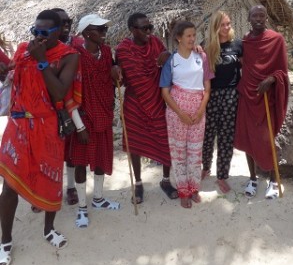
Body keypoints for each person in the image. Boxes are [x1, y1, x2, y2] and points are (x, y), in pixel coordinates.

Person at [0, 10, 80, 265]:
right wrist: (5, 71)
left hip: (47, 128)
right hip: (19, 126)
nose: (38, 37)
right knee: (9, 186)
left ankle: (48, 229)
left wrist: (42, 61)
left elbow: (59, 91)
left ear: (58, 32)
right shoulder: (24, 48)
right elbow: (13, 78)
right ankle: (5, 242)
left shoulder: (69, 57)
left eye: (45, 33)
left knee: (50, 180)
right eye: (35, 31)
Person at [115, 12, 178, 204]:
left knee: (165, 142)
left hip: (157, 101)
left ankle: (166, 181)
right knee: (135, 145)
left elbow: (168, 67)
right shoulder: (123, 49)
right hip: (135, 103)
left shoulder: (156, 43)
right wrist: (116, 72)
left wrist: (167, 56)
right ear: (133, 30)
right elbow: (126, 76)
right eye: (144, 28)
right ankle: (139, 183)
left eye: (150, 27)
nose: (149, 32)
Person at [69, 14, 121, 228]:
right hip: (83, 117)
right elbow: (69, 94)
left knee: (101, 158)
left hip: (104, 114)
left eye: (104, 29)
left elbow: (112, 77)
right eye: (100, 29)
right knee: (81, 162)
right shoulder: (75, 56)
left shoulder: (107, 52)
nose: (104, 33)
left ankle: (98, 198)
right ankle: (82, 207)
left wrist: (116, 73)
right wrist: (78, 125)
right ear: (88, 33)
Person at [234, 5, 289, 199]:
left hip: (267, 97)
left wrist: (271, 79)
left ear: (266, 18)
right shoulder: (245, 41)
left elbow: (283, 70)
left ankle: (274, 180)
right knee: (249, 138)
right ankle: (253, 178)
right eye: (254, 15)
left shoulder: (276, 39)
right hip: (248, 96)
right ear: (248, 18)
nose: (258, 18)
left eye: (262, 15)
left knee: (268, 139)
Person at [160, 21, 213, 209]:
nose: (192, 39)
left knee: (195, 152)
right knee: (179, 153)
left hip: (198, 112)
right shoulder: (172, 61)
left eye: (194, 35)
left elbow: (207, 88)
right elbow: (165, 92)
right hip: (176, 114)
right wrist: (180, 113)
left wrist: (200, 110)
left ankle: (194, 188)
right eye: (188, 35)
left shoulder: (201, 57)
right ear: (178, 38)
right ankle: (183, 190)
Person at [202, 11, 242, 193]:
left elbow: (247, 66)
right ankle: (205, 167)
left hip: (230, 95)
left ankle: (222, 176)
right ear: (215, 27)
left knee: (226, 136)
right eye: (223, 25)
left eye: (228, 24)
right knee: (207, 134)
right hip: (210, 95)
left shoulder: (238, 45)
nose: (227, 28)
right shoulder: (207, 47)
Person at [51, 8, 84, 206]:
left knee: (71, 151)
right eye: (61, 22)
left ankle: (70, 187)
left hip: (73, 105)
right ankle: (44, 191)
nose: (66, 25)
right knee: (47, 152)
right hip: (48, 107)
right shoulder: (42, 47)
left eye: (68, 21)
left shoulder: (77, 45)